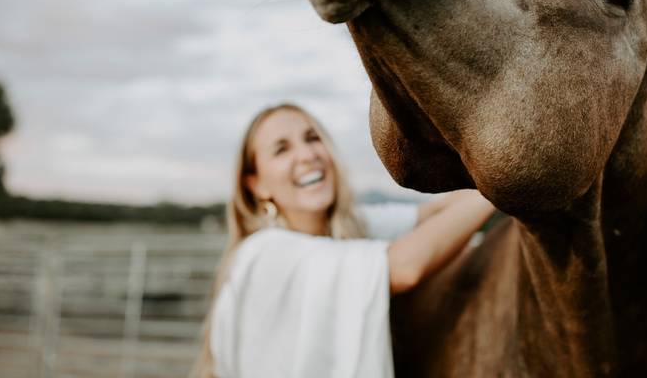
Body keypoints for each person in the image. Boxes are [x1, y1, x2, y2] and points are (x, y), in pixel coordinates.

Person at [193, 103, 495, 378]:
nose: (307, 155)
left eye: (312, 138)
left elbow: (433, 212)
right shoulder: (264, 252)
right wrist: (501, 182)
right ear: (256, 184)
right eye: (281, 149)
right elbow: (404, 267)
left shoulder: (348, 226)